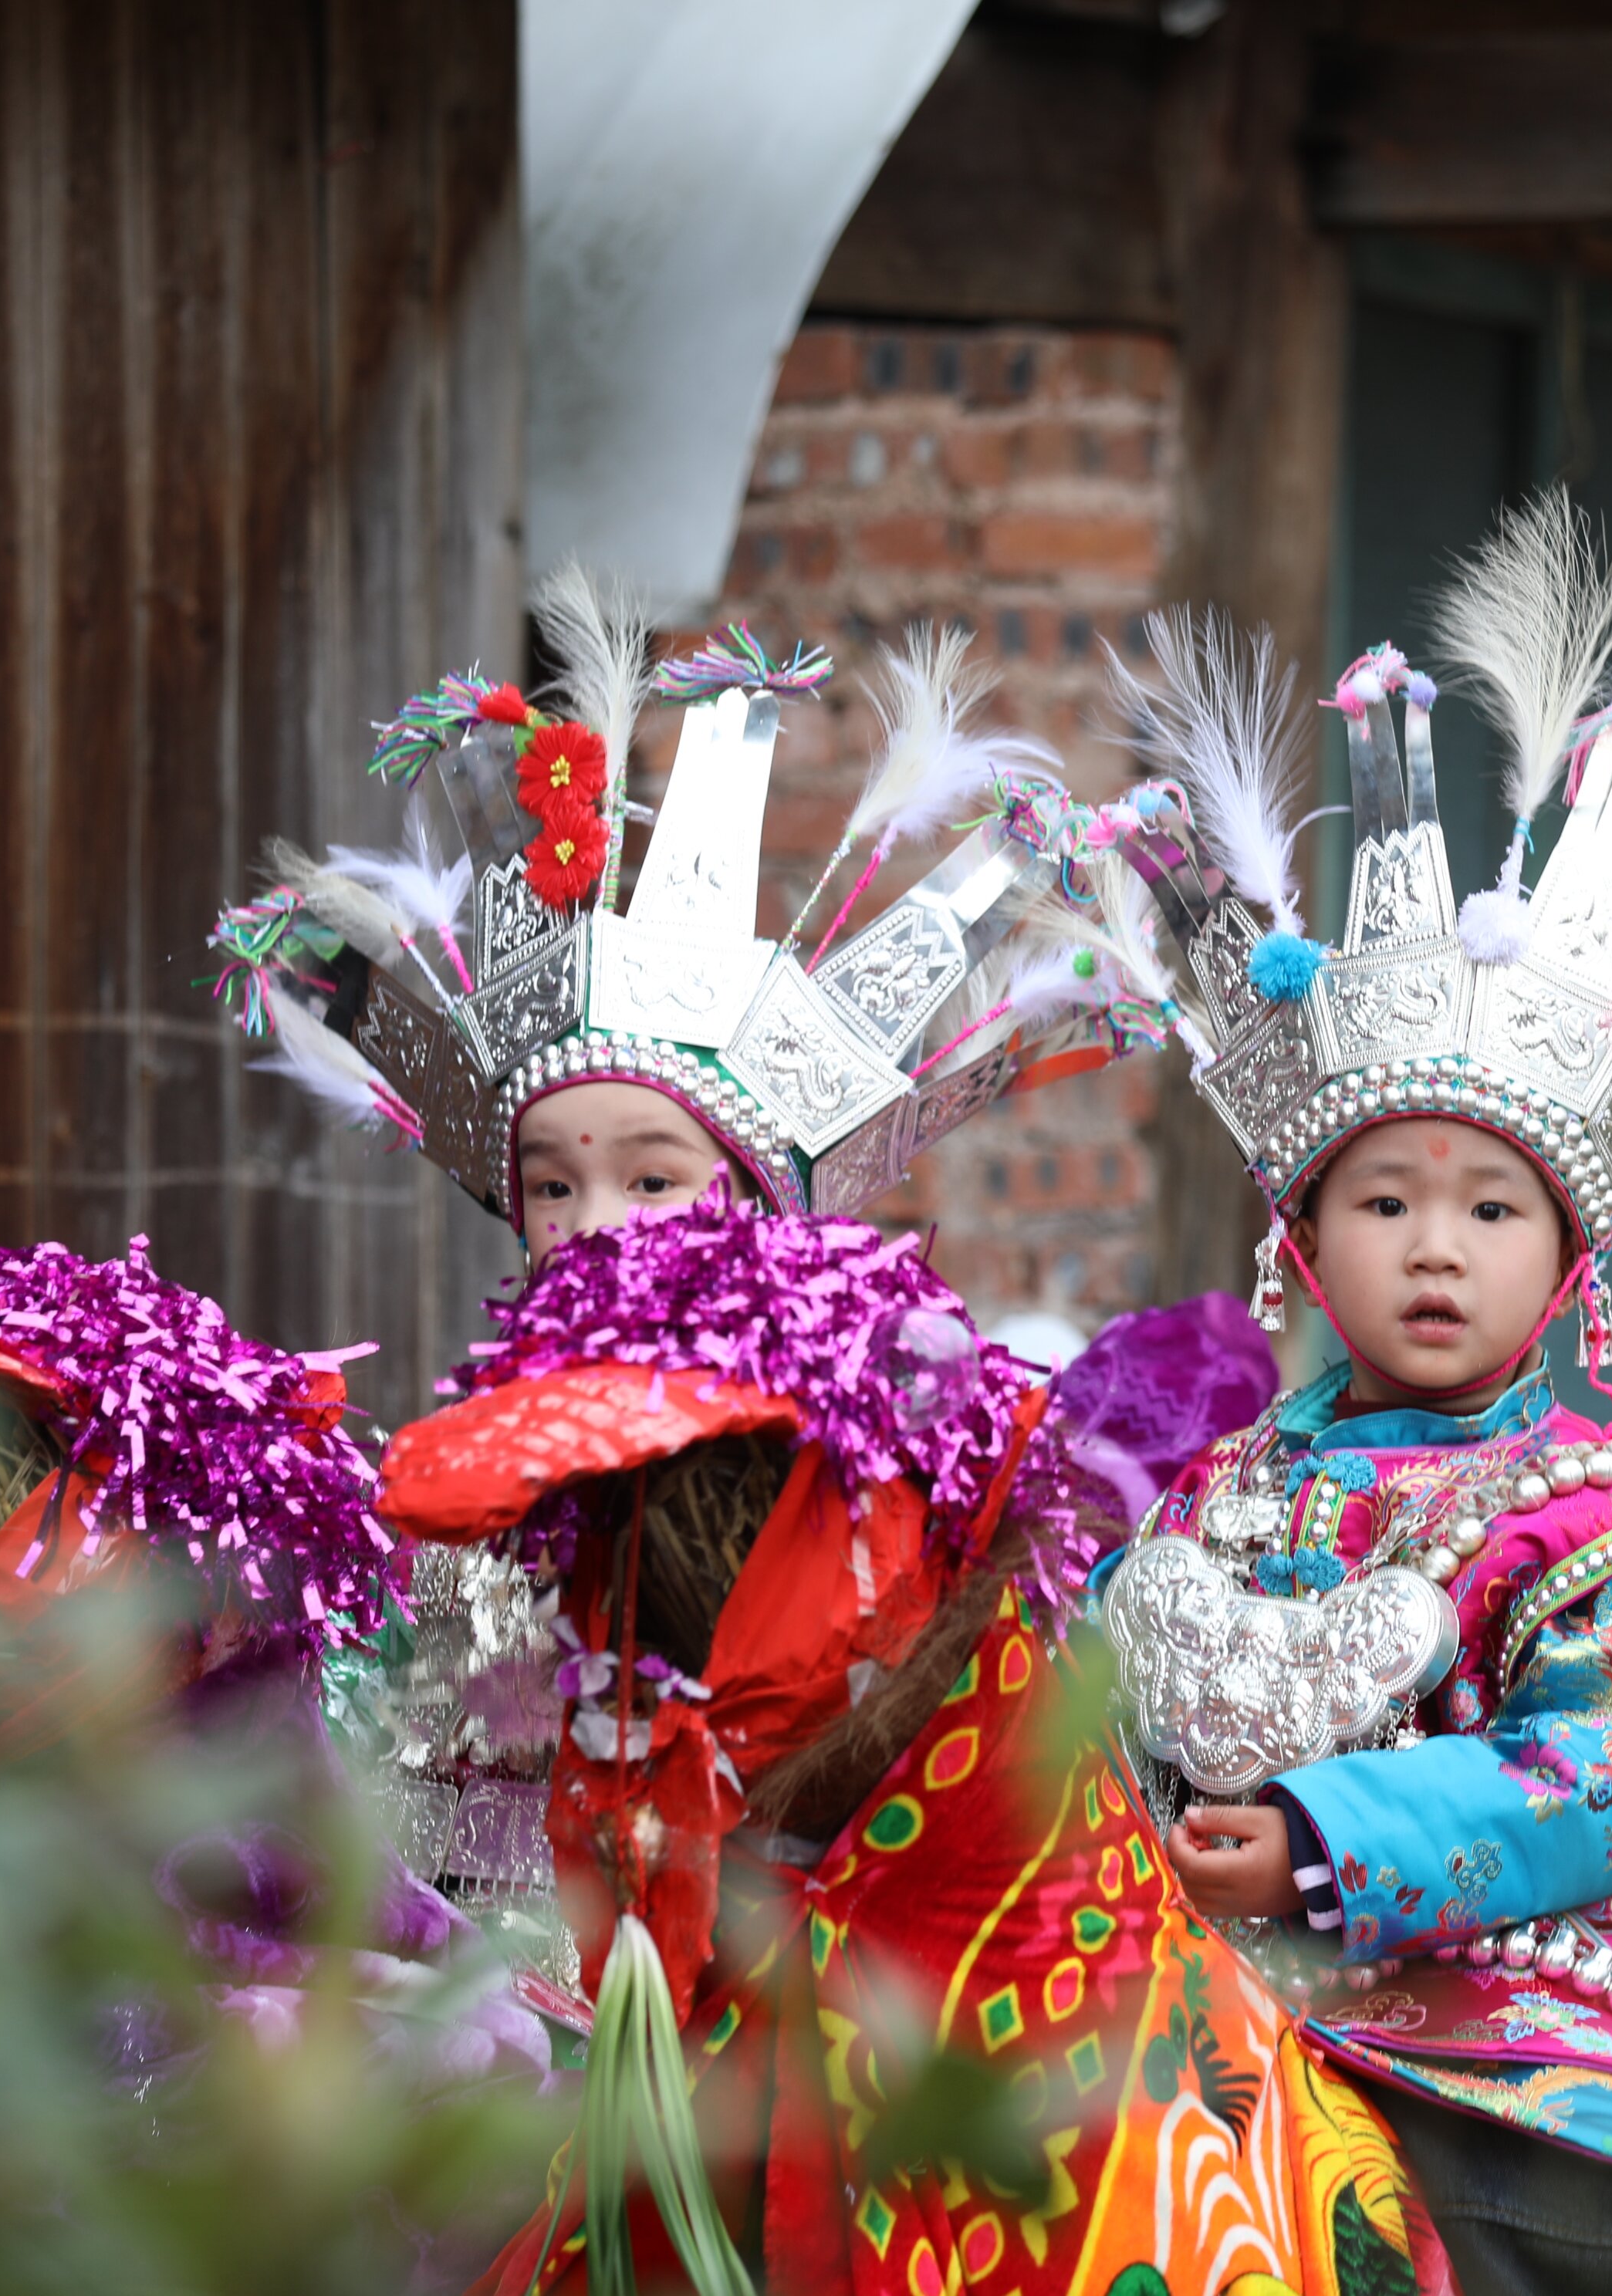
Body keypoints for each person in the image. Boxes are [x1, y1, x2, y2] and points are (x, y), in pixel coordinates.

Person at [234, 591, 1451, 2293]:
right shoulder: (469, 1480)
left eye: (654, 1175)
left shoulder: (896, 1446)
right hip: (530, 2035)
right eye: (552, 1182)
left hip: (864, 2042)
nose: (596, 1223)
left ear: (765, 1203)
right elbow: (389, 1788)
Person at [1095, 494, 1612, 2296]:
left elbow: (1611, 1764)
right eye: (1383, 1204)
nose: (1435, 1250)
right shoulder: (1213, 1493)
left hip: (1508, 2004)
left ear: (1568, 1260)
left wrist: (1325, 1843)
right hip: (1210, 1957)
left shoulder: (1582, 1521)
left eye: (1490, 1211)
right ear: (1298, 1239)